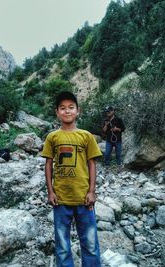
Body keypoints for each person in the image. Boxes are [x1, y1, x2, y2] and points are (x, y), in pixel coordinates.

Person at [42, 91, 102, 267]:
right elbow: (48, 164)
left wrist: (92, 191)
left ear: (78, 111)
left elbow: (92, 164)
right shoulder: (52, 137)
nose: (67, 111)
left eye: (71, 107)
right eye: (62, 108)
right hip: (60, 199)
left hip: (84, 199)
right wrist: (50, 191)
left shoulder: (86, 136)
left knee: (90, 242)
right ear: (57, 112)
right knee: (61, 244)